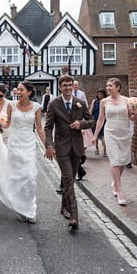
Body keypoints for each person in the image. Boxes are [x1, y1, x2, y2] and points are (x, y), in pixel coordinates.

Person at [0, 81, 46, 224]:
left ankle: (30, 209)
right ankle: (21, 209)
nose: (18, 92)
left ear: (29, 92)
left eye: (21, 90)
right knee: (17, 177)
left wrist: (48, 146)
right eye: (17, 90)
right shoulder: (11, 106)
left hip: (29, 144)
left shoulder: (36, 107)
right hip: (14, 143)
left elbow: (39, 128)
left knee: (30, 177)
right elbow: (8, 123)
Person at [44, 75, 95, 230]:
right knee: (68, 179)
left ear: (73, 87)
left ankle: (63, 206)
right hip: (61, 147)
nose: (67, 88)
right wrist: (50, 146)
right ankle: (74, 216)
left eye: (70, 85)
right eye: (64, 85)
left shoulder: (80, 103)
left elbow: (91, 120)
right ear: (59, 87)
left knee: (70, 180)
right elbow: (48, 127)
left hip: (77, 147)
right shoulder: (54, 104)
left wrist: (81, 124)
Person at [93, 78, 135, 206]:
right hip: (110, 132)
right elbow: (100, 120)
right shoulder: (104, 102)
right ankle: (120, 190)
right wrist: (95, 136)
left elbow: (131, 117)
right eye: (107, 86)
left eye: (110, 85)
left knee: (122, 161)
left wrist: (136, 111)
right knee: (115, 160)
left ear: (118, 87)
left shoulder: (127, 100)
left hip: (124, 133)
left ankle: (115, 182)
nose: (107, 88)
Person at [89, 88, 107, 156]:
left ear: (104, 94)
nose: (99, 95)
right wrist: (89, 118)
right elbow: (91, 110)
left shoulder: (106, 101)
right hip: (95, 119)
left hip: (103, 120)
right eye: (98, 94)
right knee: (95, 135)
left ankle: (105, 150)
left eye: (101, 94)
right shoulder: (95, 101)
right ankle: (97, 149)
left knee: (103, 135)